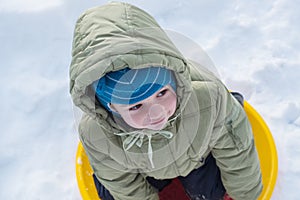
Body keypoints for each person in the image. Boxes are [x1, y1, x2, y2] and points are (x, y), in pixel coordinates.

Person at [69, 2, 262, 200]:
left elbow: (237, 150)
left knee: (215, 188)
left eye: (161, 94)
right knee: (109, 191)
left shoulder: (208, 99)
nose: (156, 112)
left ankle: (233, 106)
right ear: (111, 108)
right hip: (144, 169)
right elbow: (122, 183)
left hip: (198, 157)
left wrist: (244, 195)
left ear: (174, 81)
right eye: (136, 106)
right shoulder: (97, 134)